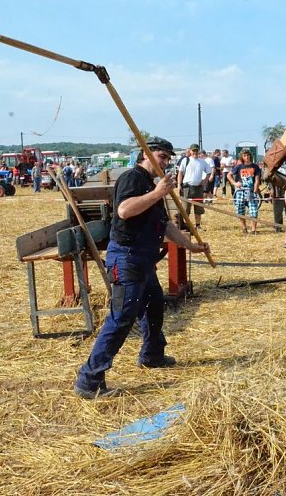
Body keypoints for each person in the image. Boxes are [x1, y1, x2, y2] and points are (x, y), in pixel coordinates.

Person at [74, 137, 210, 399]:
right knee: (122, 317)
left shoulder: (150, 184)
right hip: (127, 257)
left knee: (154, 305)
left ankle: (152, 354)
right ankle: (89, 380)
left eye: (169, 158)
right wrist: (158, 192)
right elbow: (124, 211)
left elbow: (165, 224)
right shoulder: (132, 178)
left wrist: (190, 246)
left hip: (143, 259)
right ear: (145, 155)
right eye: (162, 156)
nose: (166, 162)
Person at [177, 144, 212, 231]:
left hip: (198, 188)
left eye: (196, 150)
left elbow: (209, 172)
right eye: (193, 151)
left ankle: (198, 226)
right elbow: (180, 173)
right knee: (186, 209)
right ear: (190, 151)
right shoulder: (185, 160)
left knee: (198, 208)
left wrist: (205, 181)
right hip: (187, 187)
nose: (195, 152)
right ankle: (186, 226)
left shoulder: (202, 162)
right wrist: (178, 184)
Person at [229, 149, 261, 234]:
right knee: (240, 210)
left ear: (250, 156)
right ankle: (244, 227)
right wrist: (235, 183)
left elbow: (257, 179)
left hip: (251, 191)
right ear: (242, 157)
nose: (247, 157)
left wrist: (255, 189)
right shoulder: (239, 167)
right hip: (240, 191)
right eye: (245, 156)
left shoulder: (255, 167)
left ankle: (253, 229)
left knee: (254, 210)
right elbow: (229, 175)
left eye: (248, 155)